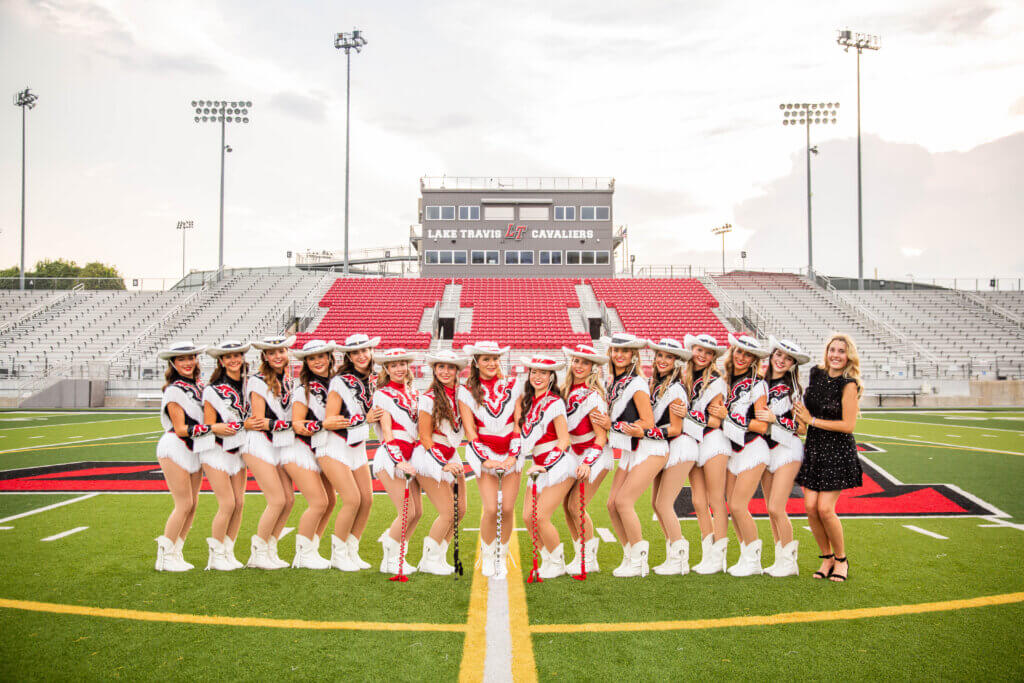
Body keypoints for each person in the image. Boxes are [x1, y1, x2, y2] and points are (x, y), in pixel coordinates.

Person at [794, 333, 864, 583]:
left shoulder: (849, 384)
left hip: (837, 450)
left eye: (841, 351)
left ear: (848, 356)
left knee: (825, 508)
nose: (835, 355)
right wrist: (799, 419)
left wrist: (811, 421)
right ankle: (826, 558)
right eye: (832, 350)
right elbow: (806, 408)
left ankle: (842, 560)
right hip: (814, 447)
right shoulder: (816, 373)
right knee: (811, 508)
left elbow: (848, 425)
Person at [596, 333, 662, 578]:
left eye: (624, 351)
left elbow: (647, 423)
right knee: (612, 504)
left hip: (647, 448)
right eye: (615, 350)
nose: (619, 355)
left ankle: (640, 560)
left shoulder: (636, 383)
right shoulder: (615, 382)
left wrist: (610, 425)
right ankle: (629, 554)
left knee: (623, 502)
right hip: (627, 449)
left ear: (634, 355)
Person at [458, 341, 523, 578]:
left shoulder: (514, 385)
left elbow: (518, 422)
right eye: (486, 359)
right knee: (491, 508)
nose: (491, 363)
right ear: (476, 362)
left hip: (511, 455)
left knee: (507, 508)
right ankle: (486, 556)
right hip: (484, 455)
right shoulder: (465, 391)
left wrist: (513, 455)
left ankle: (501, 557)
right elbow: (470, 430)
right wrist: (485, 459)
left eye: (495, 358)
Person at [320, 333, 384, 571]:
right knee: (352, 499)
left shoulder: (377, 378)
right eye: (355, 352)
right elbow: (329, 420)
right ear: (348, 356)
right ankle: (337, 555)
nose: (361, 355)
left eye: (365, 350)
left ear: (371, 351)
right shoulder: (340, 380)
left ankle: (351, 550)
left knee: (367, 500)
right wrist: (361, 419)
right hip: (334, 445)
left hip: (358, 445)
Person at [672, 333, 730, 574]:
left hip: (712, 440)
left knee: (715, 499)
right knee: (697, 500)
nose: (703, 355)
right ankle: (708, 553)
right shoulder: (684, 376)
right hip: (693, 440)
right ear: (691, 349)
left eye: (708, 353)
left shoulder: (716, 381)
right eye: (699, 350)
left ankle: (720, 556)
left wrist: (687, 414)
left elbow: (716, 421)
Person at [410, 349, 468, 575]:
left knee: (460, 510)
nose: (445, 371)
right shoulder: (428, 398)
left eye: (450, 367)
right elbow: (424, 436)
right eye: (441, 367)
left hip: (451, 454)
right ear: (434, 370)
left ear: (457, 371)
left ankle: (439, 555)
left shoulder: (462, 396)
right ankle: (428, 559)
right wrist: (441, 464)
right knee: (448, 510)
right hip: (429, 456)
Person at [243, 334, 298, 570]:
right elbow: (257, 420)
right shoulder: (257, 380)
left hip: (278, 443)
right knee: (276, 500)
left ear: (287, 354)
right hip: (259, 443)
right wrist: (291, 426)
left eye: (281, 351)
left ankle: (270, 548)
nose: (277, 356)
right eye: (272, 352)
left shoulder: (287, 380)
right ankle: (257, 552)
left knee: (288, 500)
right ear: (264, 356)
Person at [758, 336, 811, 577]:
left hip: (787, 449)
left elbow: (801, 428)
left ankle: (790, 562)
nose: (781, 360)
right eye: (778, 354)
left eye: (787, 358)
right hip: (764, 449)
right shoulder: (759, 382)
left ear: (792, 364)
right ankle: (780, 559)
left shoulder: (796, 389)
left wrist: (775, 420)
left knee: (777, 507)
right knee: (771, 509)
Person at [154, 341, 208, 572]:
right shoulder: (174, 389)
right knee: (184, 503)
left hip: (194, 447)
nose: (187, 363)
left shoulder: (198, 386)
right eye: (181, 359)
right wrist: (213, 429)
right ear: (173, 364)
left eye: (191, 357)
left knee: (193, 504)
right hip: (176, 445)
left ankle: (176, 552)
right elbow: (180, 428)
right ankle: (164, 556)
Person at [286, 339, 340, 569]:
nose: (317, 361)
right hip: (301, 449)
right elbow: (297, 425)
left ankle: (312, 549)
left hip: (323, 448)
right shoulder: (303, 390)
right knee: (318, 502)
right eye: (312, 358)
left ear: (329, 357)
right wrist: (324, 425)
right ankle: (302, 554)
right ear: (306, 363)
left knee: (330, 502)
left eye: (321, 356)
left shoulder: (338, 385)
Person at [720, 334, 771, 577]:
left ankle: (754, 560)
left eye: (747, 354)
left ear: (754, 360)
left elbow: (762, 426)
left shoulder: (758, 383)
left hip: (753, 448)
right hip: (732, 449)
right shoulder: (726, 380)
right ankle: (745, 555)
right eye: (739, 352)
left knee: (739, 505)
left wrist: (728, 417)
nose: (741, 357)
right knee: (732, 506)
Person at [644, 338, 695, 576]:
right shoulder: (657, 384)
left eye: (669, 357)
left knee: (664, 504)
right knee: (657, 504)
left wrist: (646, 432)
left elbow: (675, 428)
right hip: (663, 446)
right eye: (660, 356)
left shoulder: (675, 388)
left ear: (676, 363)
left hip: (679, 445)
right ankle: (672, 553)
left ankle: (680, 558)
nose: (663, 360)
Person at [519, 356, 574, 579]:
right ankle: (548, 559)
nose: (537, 376)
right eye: (534, 372)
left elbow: (564, 440)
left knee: (540, 516)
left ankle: (558, 561)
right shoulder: (528, 402)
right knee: (527, 517)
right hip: (538, 465)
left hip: (558, 464)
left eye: (543, 372)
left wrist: (547, 465)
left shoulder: (555, 402)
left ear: (552, 376)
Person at [371, 347, 422, 575]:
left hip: (411, 456)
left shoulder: (414, 392)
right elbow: (387, 432)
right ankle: (388, 559)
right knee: (407, 512)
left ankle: (399, 555)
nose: (399, 368)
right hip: (392, 456)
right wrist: (398, 460)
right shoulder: (382, 394)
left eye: (403, 364)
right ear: (387, 369)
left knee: (417, 512)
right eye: (394, 365)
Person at [559, 343, 610, 574]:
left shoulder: (593, 397)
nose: (579, 366)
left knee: (575, 505)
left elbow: (601, 437)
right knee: (566, 505)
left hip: (594, 455)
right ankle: (581, 552)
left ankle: (589, 558)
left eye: (585, 362)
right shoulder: (564, 391)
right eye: (576, 361)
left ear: (593, 368)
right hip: (575, 454)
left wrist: (588, 463)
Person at [200, 340, 251, 571]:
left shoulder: (250, 384)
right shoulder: (213, 389)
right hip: (217, 450)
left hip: (239, 450)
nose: (233, 360)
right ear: (221, 361)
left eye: (237, 355)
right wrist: (221, 427)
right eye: (228, 357)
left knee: (239, 503)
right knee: (227, 503)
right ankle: (216, 554)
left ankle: (228, 552)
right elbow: (210, 425)